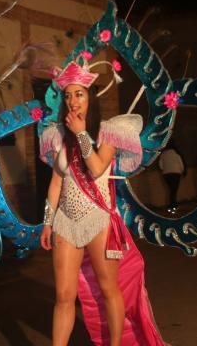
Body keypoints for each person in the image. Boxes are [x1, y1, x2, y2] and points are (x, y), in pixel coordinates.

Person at [38, 59, 167, 346]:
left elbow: (96, 168)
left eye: (79, 94)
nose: (73, 101)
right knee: (63, 297)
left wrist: (82, 133)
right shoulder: (56, 135)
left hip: (99, 220)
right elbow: (56, 182)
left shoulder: (108, 132)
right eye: (68, 95)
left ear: (90, 97)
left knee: (109, 289)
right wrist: (48, 222)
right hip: (65, 222)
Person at [159, 139, 185, 214]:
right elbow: (181, 164)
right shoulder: (176, 154)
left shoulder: (163, 154)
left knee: (171, 189)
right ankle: (173, 206)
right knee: (174, 190)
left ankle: (172, 206)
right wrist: (182, 171)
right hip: (176, 173)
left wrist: (165, 169)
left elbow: (161, 165)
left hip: (166, 174)